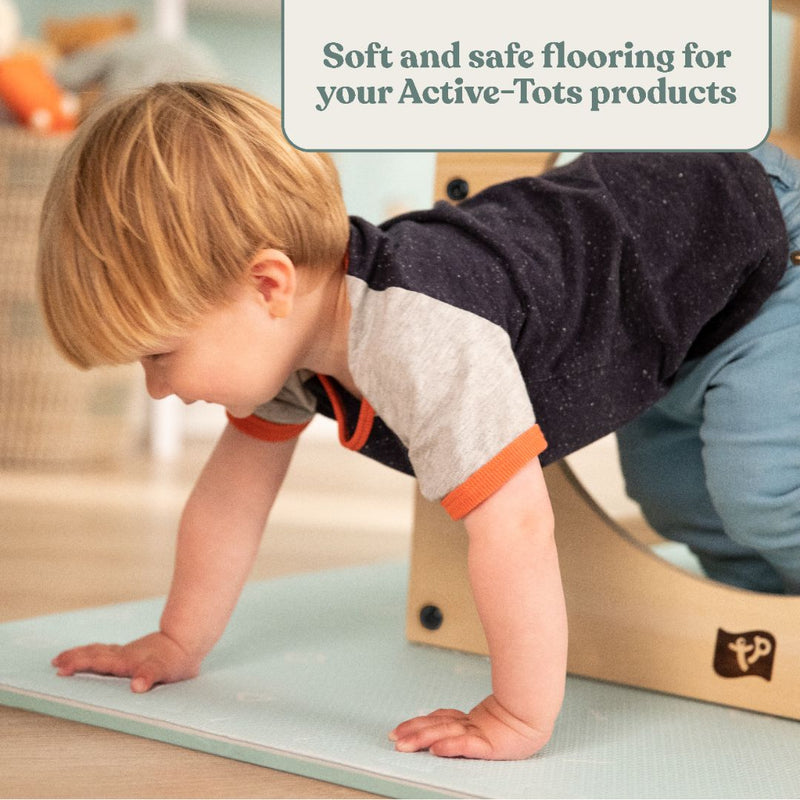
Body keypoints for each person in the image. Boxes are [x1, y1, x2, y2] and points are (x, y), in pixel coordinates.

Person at [38, 81, 799, 761]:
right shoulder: (294, 334)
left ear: (267, 285)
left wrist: (518, 713)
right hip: (677, 299)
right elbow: (231, 497)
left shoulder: (420, 337)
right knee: (673, 492)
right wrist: (178, 639)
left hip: (759, 235)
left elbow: (517, 529)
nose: (158, 389)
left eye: (161, 355)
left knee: (761, 488)